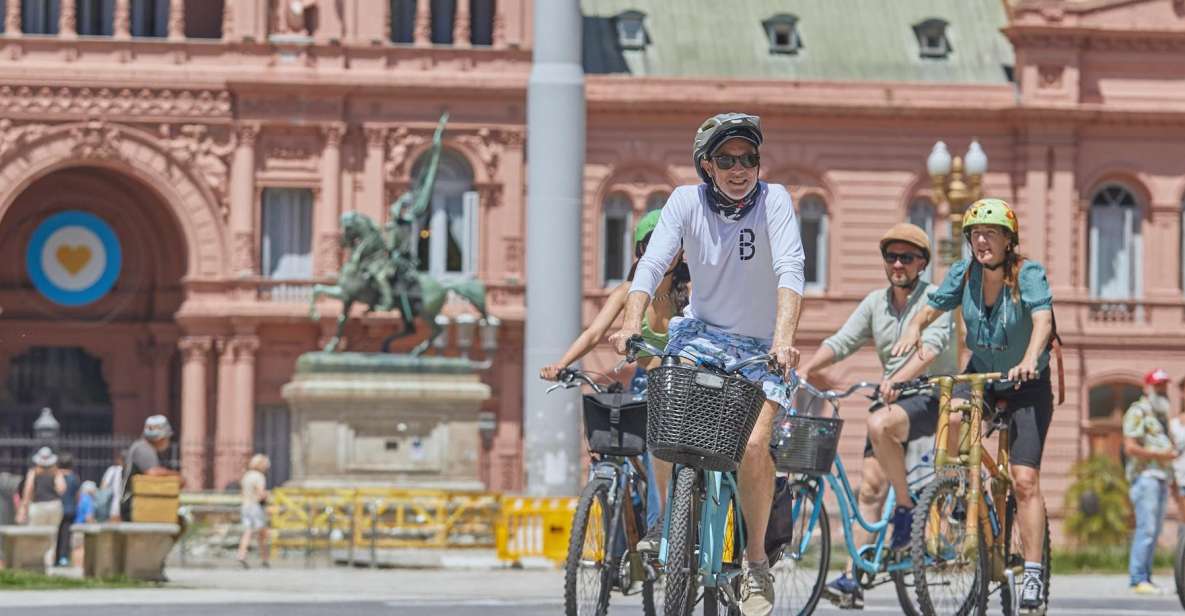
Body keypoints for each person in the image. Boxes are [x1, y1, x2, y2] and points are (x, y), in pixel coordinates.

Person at [610, 112, 805, 616]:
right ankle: (664, 520)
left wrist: (784, 340)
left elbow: (790, 268)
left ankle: (756, 561)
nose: (739, 168)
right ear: (706, 165)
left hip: (763, 345)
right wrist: (632, 320)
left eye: (748, 158)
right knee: (664, 415)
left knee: (756, 445)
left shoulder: (774, 201)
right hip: (701, 335)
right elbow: (652, 264)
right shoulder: (685, 202)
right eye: (727, 159)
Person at [893, 198, 1056, 614]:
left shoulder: (1028, 274)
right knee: (951, 417)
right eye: (975, 234)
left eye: (991, 233)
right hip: (980, 376)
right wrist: (914, 326)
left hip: (1026, 383)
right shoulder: (964, 274)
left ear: (1008, 240)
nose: (982, 240)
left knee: (1024, 481)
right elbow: (931, 306)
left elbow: (1042, 321)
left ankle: (1033, 571)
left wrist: (1027, 360)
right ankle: (961, 489)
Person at [797, 223, 957, 603]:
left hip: (930, 394)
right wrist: (804, 369)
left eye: (907, 257)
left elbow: (930, 349)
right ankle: (854, 576)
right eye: (891, 257)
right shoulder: (875, 303)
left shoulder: (936, 299)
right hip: (891, 397)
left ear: (922, 263)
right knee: (869, 487)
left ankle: (906, 507)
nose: (898, 264)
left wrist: (898, 379)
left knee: (878, 422)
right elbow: (842, 341)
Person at [540, 208, 690, 535]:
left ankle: (660, 529)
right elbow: (593, 334)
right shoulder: (628, 293)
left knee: (659, 450)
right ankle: (627, 530)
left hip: (684, 389)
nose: (663, 253)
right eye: (654, 245)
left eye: (671, 246)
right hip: (645, 385)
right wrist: (562, 364)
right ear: (640, 251)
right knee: (624, 447)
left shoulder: (690, 293)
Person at [1123, 368, 1178, 595]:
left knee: (1154, 531)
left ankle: (1146, 577)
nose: (1163, 389)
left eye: (1164, 385)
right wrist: (1161, 455)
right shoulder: (1138, 412)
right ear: (1147, 388)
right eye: (1158, 385)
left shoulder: (1160, 415)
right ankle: (1138, 579)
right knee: (1146, 529)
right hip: (1145, 478)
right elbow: (1130, 447)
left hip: (1161, 479)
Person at [121, 415, 183, 522]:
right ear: (161, 437)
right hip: (133, 507)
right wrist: (176, 476)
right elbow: (152, 473)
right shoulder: (143, 448)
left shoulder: (148, 448)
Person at [236, 454, 272, 569]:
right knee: (262, 533)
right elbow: (261, 494)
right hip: (255, 507)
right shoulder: (259, 476)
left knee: (247, 531)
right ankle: (265, 559)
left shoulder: (246, 476)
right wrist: (268, 495)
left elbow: (242, 493)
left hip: (245, 506)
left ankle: (241, 554)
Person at [16, 447, 65, 527]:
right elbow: (61, 489)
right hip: (54, 506)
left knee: (36, 534)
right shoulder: (56, 472)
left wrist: (23, 507)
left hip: (38, 506)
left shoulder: (33, 472)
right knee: (52, 534)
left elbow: (28, 489)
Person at [54, 452, 80, 567]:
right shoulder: (75, 477)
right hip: (70, 509)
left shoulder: (56, 477)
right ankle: (64, 557)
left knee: (55, 534)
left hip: (56, 509)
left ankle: (55, 556)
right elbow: (78, 495)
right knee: (66, 535)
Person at [98, 451, 124, 522]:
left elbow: (103, 486)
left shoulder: (113, 470)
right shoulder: (128, 470)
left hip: (113, 502)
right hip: (126, 502)